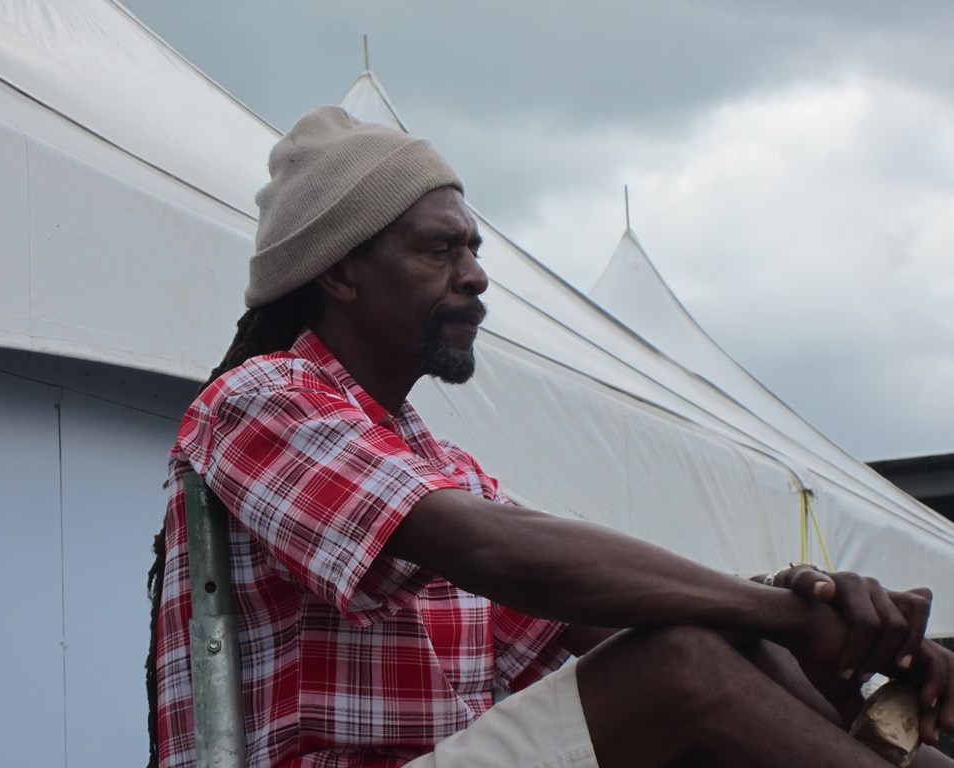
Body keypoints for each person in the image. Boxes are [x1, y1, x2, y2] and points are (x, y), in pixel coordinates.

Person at [146, 106, 954, 768]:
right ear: (338, 272)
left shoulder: (438, 463)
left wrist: (842, 644)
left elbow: (639, 613)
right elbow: (499, 553)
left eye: (473, 248)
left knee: (706, 643)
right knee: (682, 667)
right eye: (439, 249)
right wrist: (784, 615)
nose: (474, 275)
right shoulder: (259, 399)